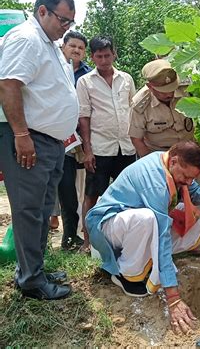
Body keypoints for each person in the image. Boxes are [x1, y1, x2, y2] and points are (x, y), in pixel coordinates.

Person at [85, 141, 200, 334]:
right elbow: (162, 238)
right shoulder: (154, 181)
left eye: (191, 178)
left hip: (130, 228)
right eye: (185, 177)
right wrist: (173, 297)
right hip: (108, 228)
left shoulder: (170, 165)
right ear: (175, 161)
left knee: (190, 223)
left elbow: (196, 194)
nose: (187, 182)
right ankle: (127, 275)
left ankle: (145, 263)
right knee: (147, 219)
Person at [0, 0, 77, 300]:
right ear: (42, 11)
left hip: (50, 142)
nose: (67, 27)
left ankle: (35, 268)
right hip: (30, 140)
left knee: (42, 209)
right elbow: (8, 84)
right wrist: (21, 134)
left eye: (71, 21)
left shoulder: (47, 42)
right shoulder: (26, 38)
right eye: (63, 20)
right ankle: (31, 280)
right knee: (30, 211)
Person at [128, 59, 200, 242]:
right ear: (150, 86)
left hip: (192, 150)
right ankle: (168, 238)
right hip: (161, 156)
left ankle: (198, 236)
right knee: (164, 199)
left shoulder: (189, 89)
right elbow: (137, 139)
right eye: (163, 91)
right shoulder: (140, 104)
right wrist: (155, 167)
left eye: (172, 88)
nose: (169, 94)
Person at [77, 35, 136, 253]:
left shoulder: (126, 79)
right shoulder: (85, 82)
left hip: (127, 146)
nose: (104, 60)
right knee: (92, 194)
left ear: (114, 54)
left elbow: (134, 109)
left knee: (129, 195)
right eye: (99, 56)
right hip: (100, 148)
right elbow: (84, 116)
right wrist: (88, 150)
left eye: (107, 55)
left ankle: (127, 239)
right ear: (92, 57)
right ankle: (88, 241)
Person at [57, 30, 92, 250]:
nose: (76, 50)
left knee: (84, 190)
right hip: (58, 139)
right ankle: (68, 237)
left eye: (80, 48)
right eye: (73, 46)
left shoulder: (87, 76)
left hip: (81, 141)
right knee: (66, 190)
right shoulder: (54, 67)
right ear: (63, 46)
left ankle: (81, 235)